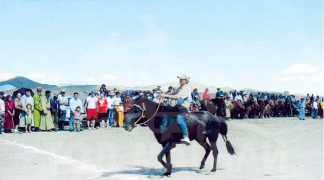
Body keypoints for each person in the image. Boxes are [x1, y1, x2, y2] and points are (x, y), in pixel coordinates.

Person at [160, 74, 192, 145]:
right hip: (178, 106)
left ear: (186, 81)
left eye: (182, 79)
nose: (180, 80)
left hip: (184, 107)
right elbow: (173, 93)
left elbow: (177, 96)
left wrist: (165, 95)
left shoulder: (186, 88)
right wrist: (164, 94)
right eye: (179, 79)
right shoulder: (180, 87)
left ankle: (186, 136)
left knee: (179, 118)